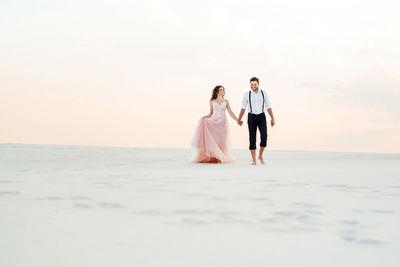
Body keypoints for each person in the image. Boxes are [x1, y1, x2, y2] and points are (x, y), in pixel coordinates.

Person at [191, 85, 239, 163]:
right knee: (214, 140)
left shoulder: (226, 101)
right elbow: (211, 113)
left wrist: (237, 120)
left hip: (223, 123)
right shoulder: (212, 102)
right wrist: (204, 118)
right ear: (217, 91)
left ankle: (221, 157)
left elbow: (230, 112)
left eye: (223, 90)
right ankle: (216, 157)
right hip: (214, 122)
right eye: (221, 90)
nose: (223, 91)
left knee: (222, 140)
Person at [237, 77, 276, 165]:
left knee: (264, 137)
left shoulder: (263, 93)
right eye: (251, 84)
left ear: (258, 84)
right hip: (251, 117)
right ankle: (254, 159)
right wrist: (239, 119)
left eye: (255, 84)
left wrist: (272, 118)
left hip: (262, 116)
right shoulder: (247, 94)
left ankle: (260, 155)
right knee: (252, 138)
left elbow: (268, 106)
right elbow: (243, 107)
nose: (253, 86)